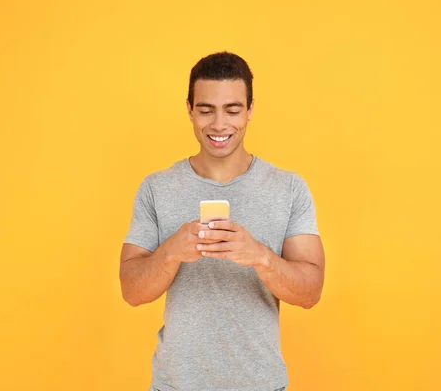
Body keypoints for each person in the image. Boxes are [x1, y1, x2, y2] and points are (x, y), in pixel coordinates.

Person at [119, 51, 325, 391]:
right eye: (206, 110)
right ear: (189, 109)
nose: (218, 124)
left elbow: (310, 292)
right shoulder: (156, 188)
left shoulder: (289, 188)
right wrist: (171, 252)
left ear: (250, 110)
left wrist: (259, 256)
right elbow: (131, 290)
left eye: (232, 110)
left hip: (261, 384)